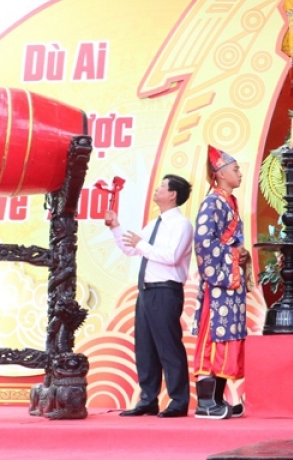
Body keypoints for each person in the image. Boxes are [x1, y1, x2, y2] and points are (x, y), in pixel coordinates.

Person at [105, 174, 194, 418]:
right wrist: (116, 227)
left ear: (173, 194)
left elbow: (171, 256)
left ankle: (178, 400)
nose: (157, 190)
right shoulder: (153, 225)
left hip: (166, 289)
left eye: (162, 187)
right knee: (145, 347)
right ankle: (148, 398)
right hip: (146, 290)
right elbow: (131, 248)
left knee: (168, 345)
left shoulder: (182, 224)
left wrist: (141, 244)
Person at [191, 146, 251, 419]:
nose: (239, 173)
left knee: (228, 337)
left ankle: (217, 400)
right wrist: (234, 256)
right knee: (212, 338)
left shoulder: (229, 202)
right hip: (219, 283)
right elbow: (204, 243)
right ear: (221, 173)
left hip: (231, 282)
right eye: (235, 169)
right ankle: (205, 403)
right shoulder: (212, 202)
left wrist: (241, 255)